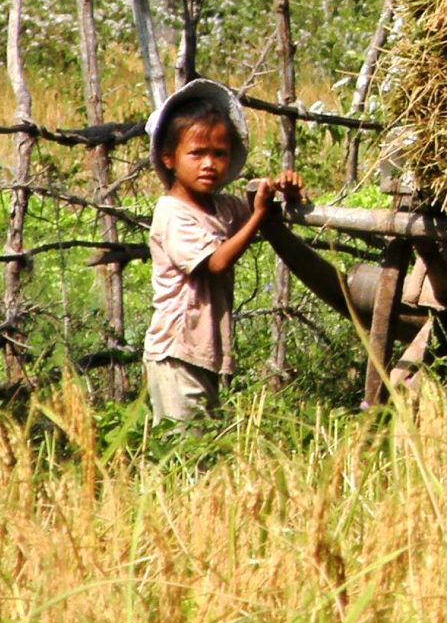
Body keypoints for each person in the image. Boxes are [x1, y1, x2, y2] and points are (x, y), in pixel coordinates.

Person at [142, 78, 342, 423]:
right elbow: (216, 263)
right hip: (175, 353)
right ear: (169, 158)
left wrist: (283, 192)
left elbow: (257, 208)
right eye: (196, 153)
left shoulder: (221, 206)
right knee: (183, 452)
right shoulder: (172, 212)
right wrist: (261, 214)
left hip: (202, 351)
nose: (209, 164)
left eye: (218, 154)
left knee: (202, 446)